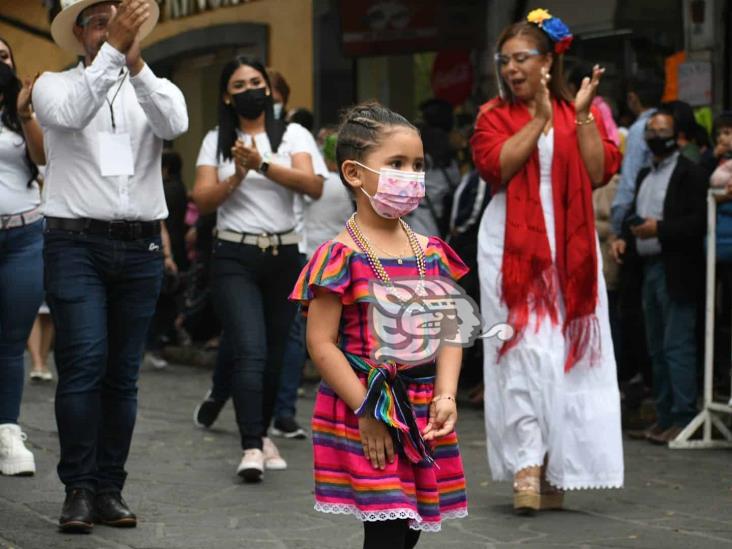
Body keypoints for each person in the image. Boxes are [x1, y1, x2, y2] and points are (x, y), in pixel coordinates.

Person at [33, 0, 188, 532]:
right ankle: (77, 488)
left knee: (123, 375)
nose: (112, 29)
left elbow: (177, 121)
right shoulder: (55, 85)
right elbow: (69, 114)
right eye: (99, 22)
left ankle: (109, 488)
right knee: (83, 363)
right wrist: (110, 55)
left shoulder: (153, 86)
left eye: (118, 21)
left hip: (140, 247)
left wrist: (136, 63)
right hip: (76, 245)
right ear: (78, 35)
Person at [290, 101, 468, 547]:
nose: (411, 175)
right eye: (396, 164)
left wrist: (446, 393)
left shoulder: (431, 251)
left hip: (425, 406)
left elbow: (449, 329)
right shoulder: (340, 256)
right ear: (354, 174)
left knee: (409, 531)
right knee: (386, 532)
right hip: (365, 406)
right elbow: (322, 344)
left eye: (418, 164)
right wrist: (369, 410)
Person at [471, 9, 624, 513]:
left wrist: (576, 114)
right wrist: (537, 119)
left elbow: (598, 171)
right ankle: (525, 466)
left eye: (522, 58)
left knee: (565, 356)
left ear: (548, 59)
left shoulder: (581, 109)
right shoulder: (494, 114)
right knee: (524, 351)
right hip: (513, 246)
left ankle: (558, 466)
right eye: (506, 60)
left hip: (572, 246)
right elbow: (496, 165)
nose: (512, 68)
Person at [191, 56, 324, 481]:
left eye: (255, 81)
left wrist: (262, 163)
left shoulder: (293, 134)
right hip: (234, 255)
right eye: (238, 84)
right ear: (226, 97)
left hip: (285, 255)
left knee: (274, 355)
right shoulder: (216, 139)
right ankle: (251, 445)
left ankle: (262, 433)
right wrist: (237, 175)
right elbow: (203, 198)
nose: (249, 89)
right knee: (249, 348)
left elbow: (314, 186)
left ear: (267, 88)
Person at [611, 109, 707, 444]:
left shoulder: (689, 173)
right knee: (655, 347)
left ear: (677, 135)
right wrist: (624, 236)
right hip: (646, 268)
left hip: (676, 268)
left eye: (661, 130)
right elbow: (633, 217)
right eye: (650, 130)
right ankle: (665, 414)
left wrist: (660, 229)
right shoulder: (643, 175)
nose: (654, 135)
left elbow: (697, 223)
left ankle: (683, 415)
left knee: (676, 344)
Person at [0, 37, 45, 477]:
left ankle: (7, 430)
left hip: (24, 234)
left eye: (2, 57)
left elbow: (44, 156)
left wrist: (26, 111)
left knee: (11, 340)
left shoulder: (24, 109)